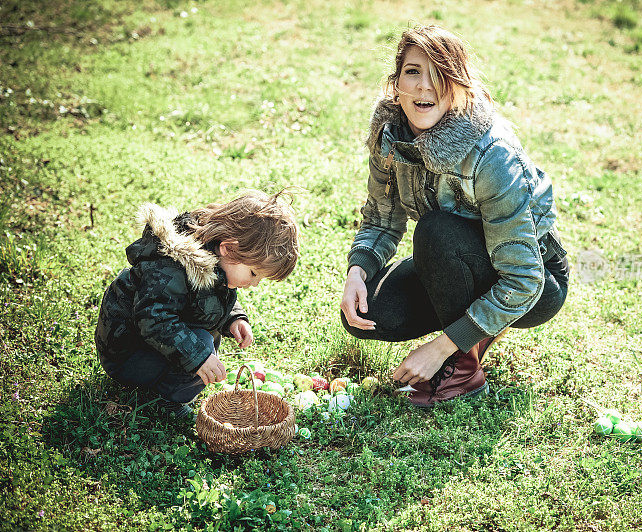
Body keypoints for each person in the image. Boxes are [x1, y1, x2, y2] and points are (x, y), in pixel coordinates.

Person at [340, 26, 569, 407]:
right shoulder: (390, 137)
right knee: (369, 314)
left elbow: (525, 279)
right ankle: (475, 331)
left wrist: (441, 348)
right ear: (396, 82)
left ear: (458, 85)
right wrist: (357, 271)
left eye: (439, 74)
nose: (424, 87)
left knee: (436, 231)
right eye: (412, 71)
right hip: (454, 261)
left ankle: (462, 370)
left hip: (537, 281)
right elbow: (382, 216)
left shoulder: (492, 154)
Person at [95, 190, 299, 418]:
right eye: (253, 274)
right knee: (201, 343)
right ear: (228, 248)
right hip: (126, 353)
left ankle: (171, 380)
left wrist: (234, 318)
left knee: (203, 341)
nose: (254, 284)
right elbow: (153, 320)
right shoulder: (172, 267)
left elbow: (211, 298)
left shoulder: (215, 260)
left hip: (147, 347)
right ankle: (165, 400)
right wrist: (197, 357)